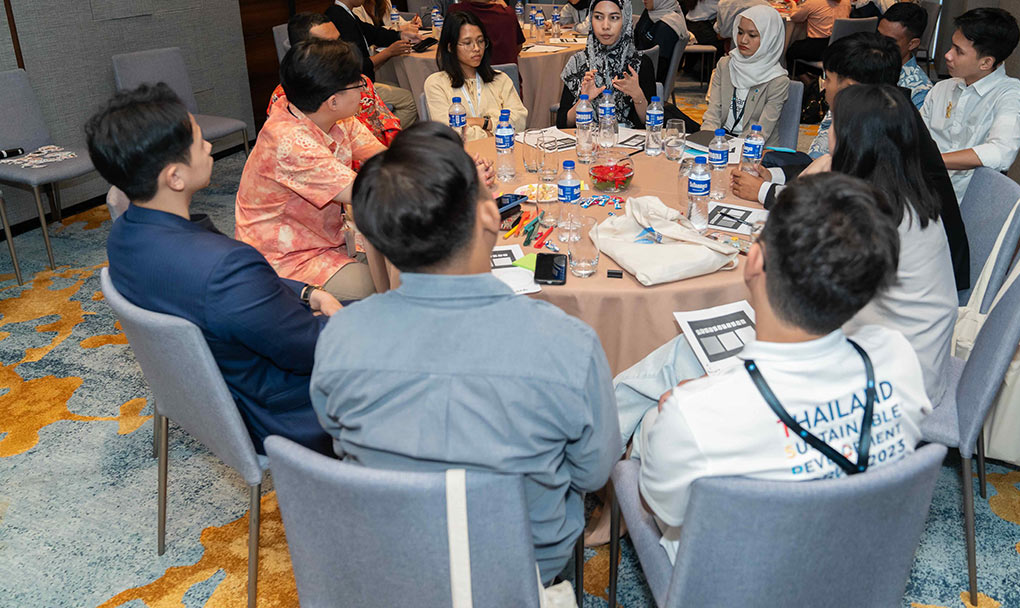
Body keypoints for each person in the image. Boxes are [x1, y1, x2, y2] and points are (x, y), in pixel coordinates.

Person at [309, 123, 621, 583]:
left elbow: (338, 434)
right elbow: (593, 470)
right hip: (523, 566)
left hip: (389, 557)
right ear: (492, 217)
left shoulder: (341, 335)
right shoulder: (567, 343)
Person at [626, 172, 931, 562]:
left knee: (643, 417)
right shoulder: (897, 359)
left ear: (753, 260)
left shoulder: (692, 416)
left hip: (731, 582)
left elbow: (658, 507)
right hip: (857, 568)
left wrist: (668, 412)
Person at [88, 84, 341, 455]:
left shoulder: (125, 234)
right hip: (283, 412)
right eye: (197, 140)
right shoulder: (225, 268)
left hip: (214, 396)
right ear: (174, 177)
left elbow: (238, 293)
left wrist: (306, 291)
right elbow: (309, 348)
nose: (208, 145)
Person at [731, 32, 971, 291]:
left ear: (849, 88)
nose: (823, 87)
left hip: (898, 290)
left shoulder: (881, 134)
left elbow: (827, 211)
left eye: (828, 79)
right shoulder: (890, 112)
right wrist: (775, 176)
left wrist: (765, 192)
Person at [820, 83, 958, 403]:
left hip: (888, 389)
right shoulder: (907, 195)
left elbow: (805, 292)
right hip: (917, 361)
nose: (827, 133)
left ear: (853, 141)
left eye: (833, 125)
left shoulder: (870, 216)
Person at [236, 39, 386, 302]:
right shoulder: (289, 142)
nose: (364, 90)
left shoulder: (334, 118)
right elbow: (368, 193)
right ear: (333, 101)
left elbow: (389, 158)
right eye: (358, 84)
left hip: (332, 236)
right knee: (381, 287)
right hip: (288, 259)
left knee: (405, 259)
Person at [920, 7, 1020, 202]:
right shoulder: (942, 88)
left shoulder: (1009, 95)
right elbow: (916, 135)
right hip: (920, 190)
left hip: (963, 204)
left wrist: (935, 162)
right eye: (952, 46)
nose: (948, 55)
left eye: (958, 51)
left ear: (986, 63)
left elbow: (1001, 152)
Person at [269, 12, 408, 146]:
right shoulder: (286, 97)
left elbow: (387, 122)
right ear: (305, 52)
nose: (341, 49)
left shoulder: (359, 81)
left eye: (339, 41)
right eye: (329, 45)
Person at [556, 0, 656, 129]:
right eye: (598, 17)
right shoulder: (578, 63)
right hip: (587, 144)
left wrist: (637, 96)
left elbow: (650, 126)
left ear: (625, 20)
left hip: (627, 146)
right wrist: (584, 101)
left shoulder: (639, 64)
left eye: (614, 18)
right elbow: (563, 123)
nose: (605, 26)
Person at [424, 10, 527, 140]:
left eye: (480, 41)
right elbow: (451, 133)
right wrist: (492, 130)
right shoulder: (436, 83)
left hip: (501, 153)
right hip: (461, 156)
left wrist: (483, 122)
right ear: (450, 47)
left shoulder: (500, 79)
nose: (477, 48)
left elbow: (520, 121)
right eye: (467, 43)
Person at [700, 4, 792, 145]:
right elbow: (713, 113)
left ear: (770, 38)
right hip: (721, 139)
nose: (743, 40)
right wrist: (707, 140)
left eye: (752, 35)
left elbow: (762, 131)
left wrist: (733, 148)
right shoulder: (725, 65)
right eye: (740, 32)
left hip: (755, 148)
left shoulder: (777, 80)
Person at [324, 0, 418, 81]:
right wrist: (389, 52)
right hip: (357, 86)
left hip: (362, 82)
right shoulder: (339, 18)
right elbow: (359, 65)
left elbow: (373, 33)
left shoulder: (344, 13)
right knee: (408, 97)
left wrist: (400, 35)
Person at [449, 0, 524, 65]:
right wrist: (505, 8)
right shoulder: (507, 13)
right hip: (506, 78)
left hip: (470, 78)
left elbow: (448, 48)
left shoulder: (456, 12)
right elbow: (517, 47)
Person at [784, 0, 852, 71]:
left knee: (790, 51)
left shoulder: (814, 1)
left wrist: (793, 5)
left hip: (817, 48)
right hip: (839, 48)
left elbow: (795, 17)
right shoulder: (846, 0)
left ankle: (807, 82)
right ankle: (813, 80)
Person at [635, 0, 690, 84]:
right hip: (637, 69)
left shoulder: (668, 26)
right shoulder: (651, 12)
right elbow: (635, 39)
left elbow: (658, 69)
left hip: (646, 82)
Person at [878, 2, 933, 109]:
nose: (879, 43)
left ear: (912, 44)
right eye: (878, 35)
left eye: (889, 41)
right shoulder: (868, 63)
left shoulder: (918, 90)